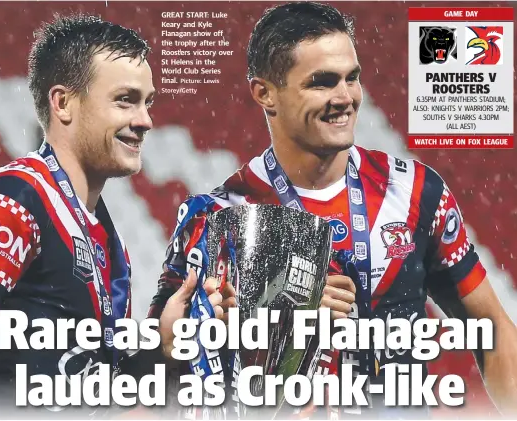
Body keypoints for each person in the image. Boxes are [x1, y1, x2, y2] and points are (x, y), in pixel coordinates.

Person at [152, 2, 517, 418]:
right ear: (264, 93)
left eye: (352, 78)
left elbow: (492, 329)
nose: (345, 98)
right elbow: (160, 371)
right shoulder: (217, 218)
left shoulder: (414, 189)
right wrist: (279, 325)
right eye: (322, 82)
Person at [0, 14, 228, 419]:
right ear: (63, 103)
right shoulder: (16, 196)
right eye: (125, 100)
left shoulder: (101, 234)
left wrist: (162, 347)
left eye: (147, 102)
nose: (145, 121)